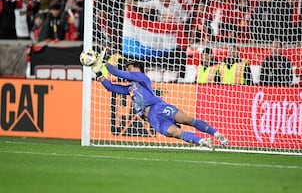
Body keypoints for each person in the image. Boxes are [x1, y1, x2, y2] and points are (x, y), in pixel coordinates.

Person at [90, 50, 229, 148]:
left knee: (187, 119)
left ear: (137, 68)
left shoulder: (142, 77)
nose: (127, 70)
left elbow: (117, 72)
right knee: (173, 132)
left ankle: (216, 134)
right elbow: (111, 87)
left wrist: (104, 63)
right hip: (152, 118)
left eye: (129, 67)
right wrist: (98, 72)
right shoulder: (130, 88)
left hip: (159, 107)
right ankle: (203, 142)